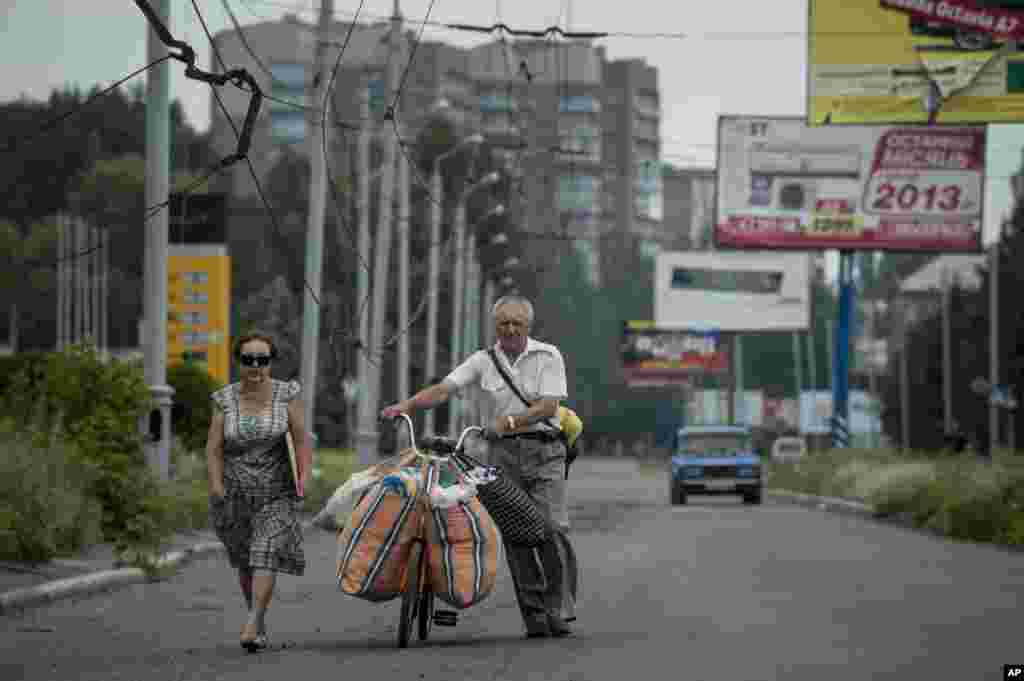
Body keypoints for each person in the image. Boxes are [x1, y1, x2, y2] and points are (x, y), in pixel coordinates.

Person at [382, 295, 577, 639]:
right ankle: (533, 614)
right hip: (501, 456)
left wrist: (509, 422)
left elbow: (548, 407)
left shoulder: (548, 355)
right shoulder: (482, 361)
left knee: (550, 528)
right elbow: (445, 389)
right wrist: (408, 405)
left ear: (528, 326)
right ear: (495, 326)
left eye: (517, 323)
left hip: (546, 452)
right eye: (504, 323)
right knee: (517, 531)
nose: (511, 329)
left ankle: (556, 607)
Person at [205, 332, 313, 652]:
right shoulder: (224, 399)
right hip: (234, 496)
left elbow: (302, 439)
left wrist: (303, 478)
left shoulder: (285, 395)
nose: (255, 366)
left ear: (271, 362)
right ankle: (258, 617)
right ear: (239, 363)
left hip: (277, 493)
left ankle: (252, 622)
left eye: (262, 360)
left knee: (264, 553)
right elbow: (214, 448)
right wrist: (215, 484)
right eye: (248, 360)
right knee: (245, 562)